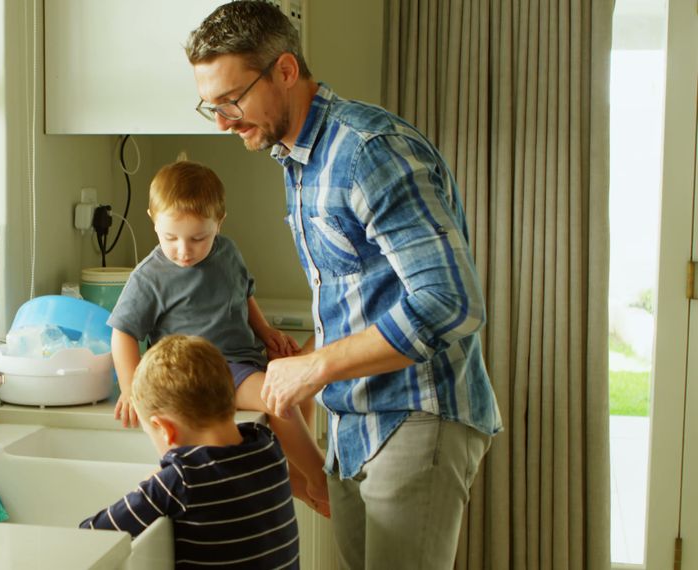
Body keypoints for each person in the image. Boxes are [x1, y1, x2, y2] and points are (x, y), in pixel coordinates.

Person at [185, 2, 504, 569]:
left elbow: (450, 303)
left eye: (232, 99)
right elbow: (367, 294)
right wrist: (312, 356)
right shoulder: (300, 159)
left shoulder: (367, 151)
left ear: (285, 70)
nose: (222, 121)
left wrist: (316, 367)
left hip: (416, 414)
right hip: (357, 422)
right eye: (211, 105)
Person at [108, 159, 329, 516]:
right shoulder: (149, 276)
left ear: (219, 222)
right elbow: (122, 332)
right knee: (280, 396)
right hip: (202, 373)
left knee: (297, 379)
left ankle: (291, 471)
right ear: (153, 219)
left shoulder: (227, 252)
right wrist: (131, 388)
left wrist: (266, 332)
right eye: (170, 238)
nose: (184, 250)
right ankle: (318, 477)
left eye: (199, 238)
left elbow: (243, 295)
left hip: (244, 358)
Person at [80, 334, 300, 569]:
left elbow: (92, 534)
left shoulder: (181, 480)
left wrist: (151, 483)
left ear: (165, 429)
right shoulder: (267, 444)